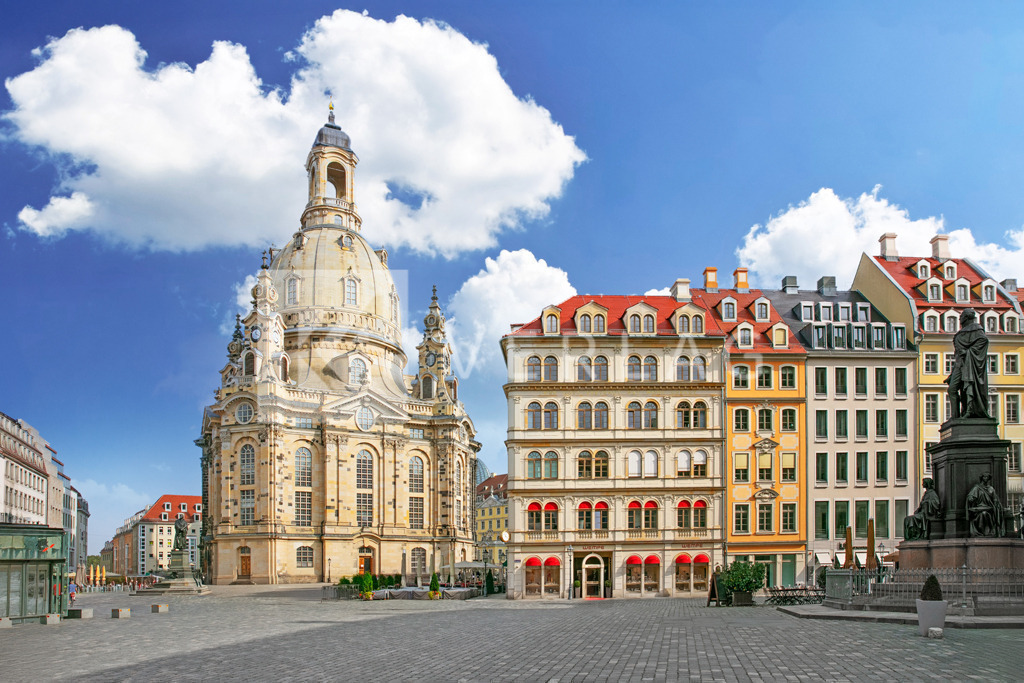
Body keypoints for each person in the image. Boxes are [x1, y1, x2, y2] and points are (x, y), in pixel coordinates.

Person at [946, 308, 990, 419]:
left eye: (961, 316)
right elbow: (957, 355)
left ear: (965, 317)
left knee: (967, 388)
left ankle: (969, 411)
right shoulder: (961, 332)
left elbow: (983, 341)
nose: (960, 319)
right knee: (952, 389)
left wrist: (967, 352)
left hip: (969, 365)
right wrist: (951, 374)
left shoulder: (977, 330)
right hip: (959, 365)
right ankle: (955, 417)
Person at [966, 472, 1005, 537]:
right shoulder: (977, 488)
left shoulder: (991, 489)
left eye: (987, 477)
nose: (986, 478)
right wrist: (971, 498)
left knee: (985, 513)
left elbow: (995, 499)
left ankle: (988, 532)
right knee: (983, 514)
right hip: (978, 509)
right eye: (984, 477)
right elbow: (970, 496)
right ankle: (983, 532)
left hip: (990, 509)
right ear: (981, 478)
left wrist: (996, 502)